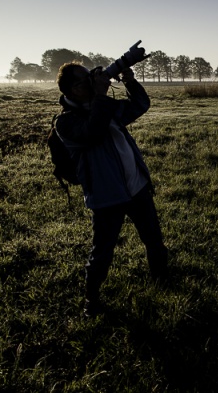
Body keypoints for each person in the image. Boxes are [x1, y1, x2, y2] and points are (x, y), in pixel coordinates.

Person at [54, 62, 168, 317]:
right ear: (73, 89)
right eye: (86, 80)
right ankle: (91, 302)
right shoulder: (66, 122)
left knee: (154, 241)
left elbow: (140, 106)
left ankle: (163, 282)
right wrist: (101, 95)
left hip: (136, 187)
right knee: (102, 252)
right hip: (107, 197)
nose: (93, 82)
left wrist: (129, 80)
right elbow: (93, 132)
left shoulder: (104, 106)